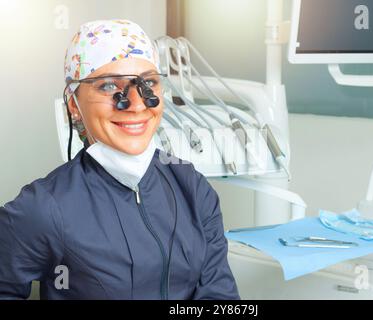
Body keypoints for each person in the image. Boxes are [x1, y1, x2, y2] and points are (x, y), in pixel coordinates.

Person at [0, 19, 240, 300]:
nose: (137, 104)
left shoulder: (193, 189)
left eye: (147, 83)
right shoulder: (43, 209)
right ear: (74, 106)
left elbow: (220, 297)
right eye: (109, 85)